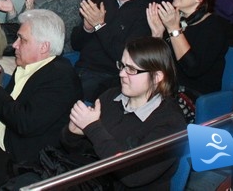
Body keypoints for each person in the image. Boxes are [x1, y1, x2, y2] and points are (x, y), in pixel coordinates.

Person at [0, 9, 82, 187]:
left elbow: (24, 123)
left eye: (23, 39)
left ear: (44, 47)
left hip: (20, 164)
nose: (15, 45)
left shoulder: (61, 78)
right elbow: (0, 115)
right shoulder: (27, 67)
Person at [59, 37, 186, 190]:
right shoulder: (110, 97)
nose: (122, 74)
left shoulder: (171, 123)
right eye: (122, 66)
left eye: (132, 69)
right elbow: (82, 152)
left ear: (157, 77)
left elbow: (133, 176)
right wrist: (73, 133)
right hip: (91, 182)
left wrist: (92, 127)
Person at [146, 0, 229, 118]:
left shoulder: (215, 26)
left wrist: (173, 29)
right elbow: (158, 64)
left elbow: (192, 69)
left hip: (192, 95)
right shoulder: (177, 21)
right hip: (167, 87)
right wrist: (158, 35)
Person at [72, 0, 151, 101]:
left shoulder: (144, 14)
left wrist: (99, 25)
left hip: (107, 78)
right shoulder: (104, 2)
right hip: (81, 68)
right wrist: (87, 28)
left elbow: (123, 56)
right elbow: (76, 44)